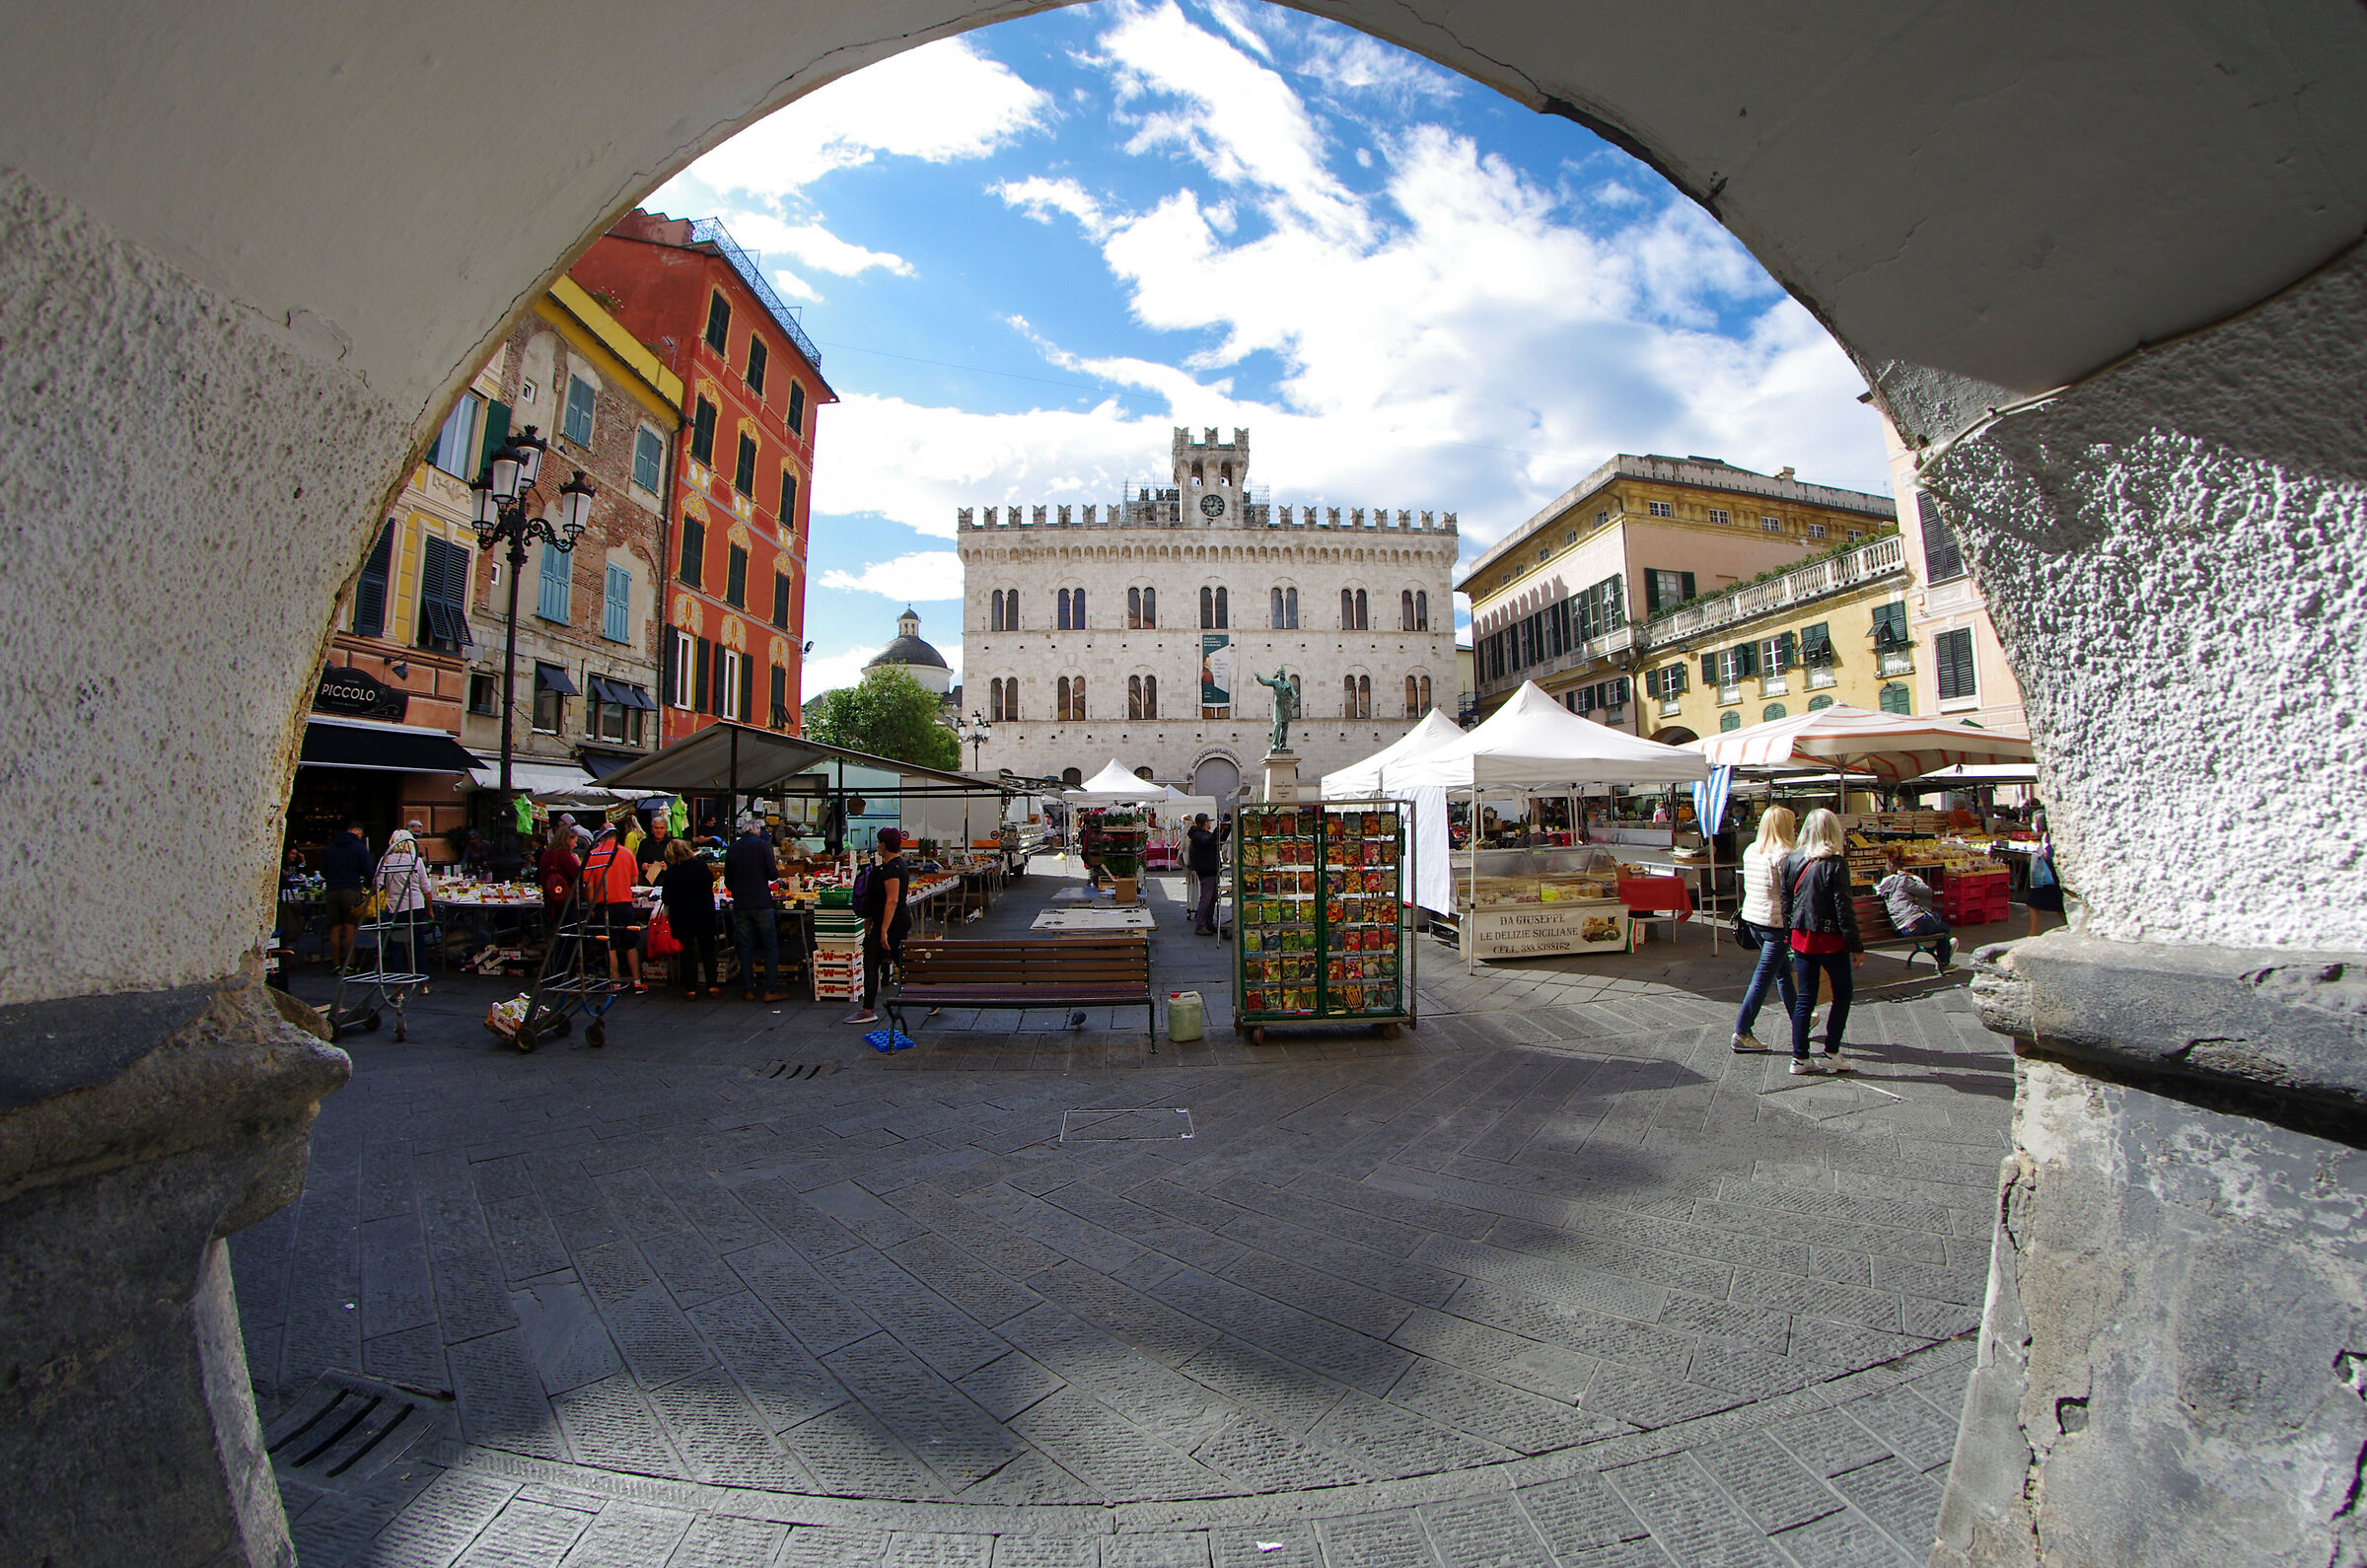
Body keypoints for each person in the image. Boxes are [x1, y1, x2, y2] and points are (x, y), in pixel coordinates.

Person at [1777, 807, 1862, 1075]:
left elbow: (1786, 901)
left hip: (1802, 937)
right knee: (1843, 993)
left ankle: (1800, 1057)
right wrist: (1855, 944)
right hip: (1830, 938)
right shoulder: (1835, 863)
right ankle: (1831, 1051)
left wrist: (1790, 933)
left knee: (1806, 996)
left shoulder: (1791, 860)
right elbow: (1843, 907)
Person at [1730, 806, 1799, 1052]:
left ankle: (1799, 1018)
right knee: (1763, 978)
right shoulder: (1785, 855)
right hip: (1776, 923)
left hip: (1753, 918)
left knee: (1782, 971)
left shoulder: (1752, 850)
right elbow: (1790, 892)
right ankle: (1742, 1030)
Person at [846, 827, 911, 1026]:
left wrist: (882, 929)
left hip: (890, 923)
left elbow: (891, 901)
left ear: (884, 844)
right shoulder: (897, 866)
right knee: (900, 962)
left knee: (872, 963)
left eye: (879, 842)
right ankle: (932, 994)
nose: (877, 845)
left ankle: (867, 1010)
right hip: (892, 921)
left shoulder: (892, 870)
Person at [726, 816, 784, 1001]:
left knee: (744, 946)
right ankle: (769, 990)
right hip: (761, 901)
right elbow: (773, 873)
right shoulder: (762, 846)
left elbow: (728, 880)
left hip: (741, 902)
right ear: (756, 831)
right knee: (770, 946)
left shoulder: (733, 848)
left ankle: (748, 990)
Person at [582, 824, 646, 991]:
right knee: (631, 945)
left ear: (601, 836)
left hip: (604, 906)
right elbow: (634, 881)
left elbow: (588, 885)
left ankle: (615, 983)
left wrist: (591, 906)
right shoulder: (626, 853)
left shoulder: (594, 855)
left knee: (610, 946)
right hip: (624, 905)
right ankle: (637, 981)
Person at [658, 838, 721, 998]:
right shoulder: (700, 866)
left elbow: (667, 898)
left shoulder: (673, 871)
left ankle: (690, 988)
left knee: (687, 951)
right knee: (708, 949)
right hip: (704, 913)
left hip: (683, 916)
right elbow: (708, 885)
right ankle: (712, 985)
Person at [1876, 845, 1954, 967]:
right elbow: (1927, 890)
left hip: (1900, 929)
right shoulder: (1905, 880)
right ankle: (1944, 960)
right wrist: (1915, 878)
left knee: (1936, 921)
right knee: (1942, 925)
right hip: (1914, 924)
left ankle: (1942, 953)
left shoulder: (1885, 884)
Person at [372, 826, 438, 973]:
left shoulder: (386, 860)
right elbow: (426, 889)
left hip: (395, 906)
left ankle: (398, 988)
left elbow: (377, 885)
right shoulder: (417, 861)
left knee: (395, 946)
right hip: (416, 905)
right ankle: (423, 982)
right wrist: (430, 910)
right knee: (418, 944)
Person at [321, 820, 373, 970]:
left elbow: (323, 871)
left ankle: (335, 963)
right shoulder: (359, 848)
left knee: (335, 927)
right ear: (358, 833)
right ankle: (349, 963)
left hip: (331, 890)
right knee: (350, 926)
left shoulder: (330, 848)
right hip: (350, 890)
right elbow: (368, 872)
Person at [2025, 802, 2063, 936]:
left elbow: (2050, 855)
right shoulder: (2046, 836)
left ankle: (2033, 932)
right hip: (2049, 877)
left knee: (2033, 903)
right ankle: (2067, 925)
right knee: (2057, 904)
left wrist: (2042, 856)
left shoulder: (2048, 838)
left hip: (2047, 877)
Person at [1186, 813, 1223, 935]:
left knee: (1212, 898)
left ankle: (1208, 922)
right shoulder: (1198, 835)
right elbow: (1208, 841)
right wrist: (1218, 829)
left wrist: (1223, 830)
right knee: (1206, 898)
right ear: (1203, 823)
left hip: (1210, 868)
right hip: (1206, 870)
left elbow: (1216, 840)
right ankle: (1200, 925)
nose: (1210, 823)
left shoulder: (1201, 834)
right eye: (1208, 821)